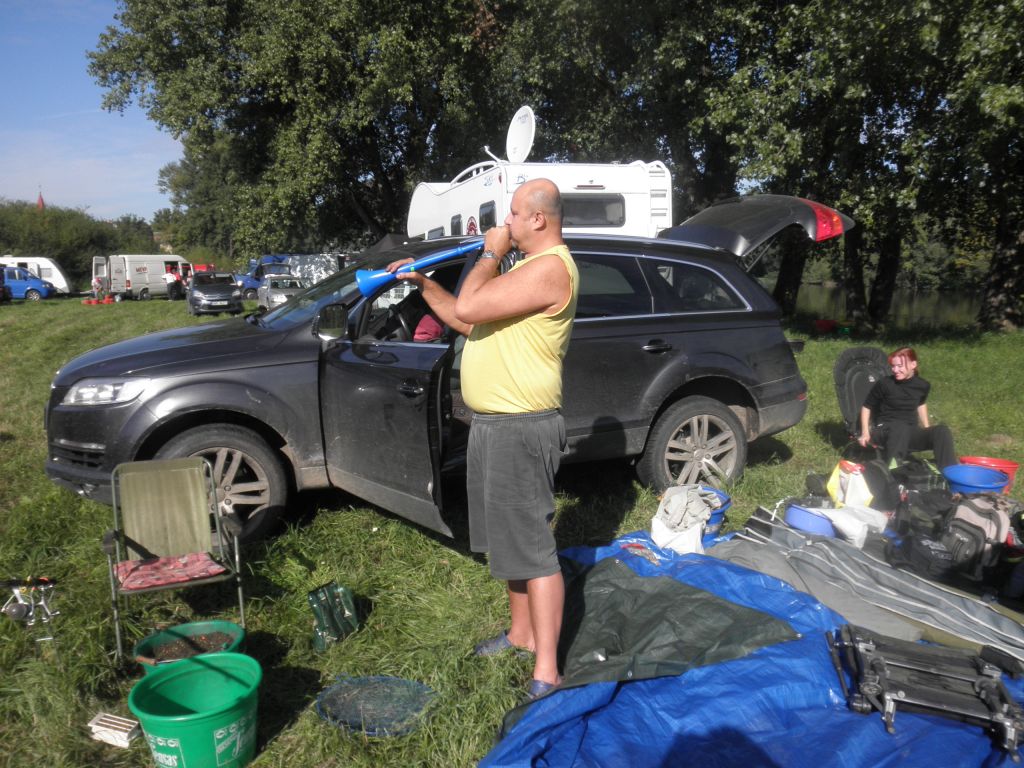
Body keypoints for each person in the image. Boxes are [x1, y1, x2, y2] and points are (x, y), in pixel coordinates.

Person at [387, 178, 578, 700]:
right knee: (506, 540)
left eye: (513, 214)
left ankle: (547, 671)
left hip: (523, 425)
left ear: (538, 218)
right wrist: (424, 284)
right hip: (494, 424)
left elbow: (471, 305)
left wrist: (490, 253)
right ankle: (520, 635)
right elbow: (468, 322)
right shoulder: (525, 271)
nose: (505, 223)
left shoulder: (550, 268)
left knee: (533, 547)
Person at [857, 347, 957, 469]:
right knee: (900, 427)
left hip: (910, 431)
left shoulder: (922, 385)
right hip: (885, 430)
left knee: (941, 431)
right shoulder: (885, 384)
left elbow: (921, 404)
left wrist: (926, 427)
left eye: (900, 366)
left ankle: (949, 472)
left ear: (913, 365)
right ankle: (893, 470)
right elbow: (866, 407)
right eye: (893, 366)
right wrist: (865, 433)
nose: (895, 370)